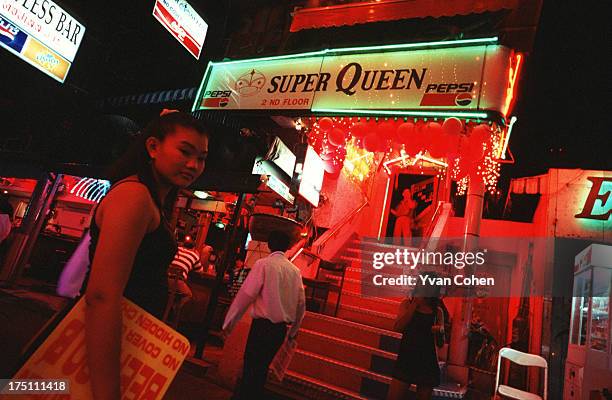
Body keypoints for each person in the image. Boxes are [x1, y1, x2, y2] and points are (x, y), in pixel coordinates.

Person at [84, 110, 209, 400]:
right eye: (185, 151)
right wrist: (106, 392)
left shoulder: (151, 200)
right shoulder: (135, 196)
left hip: (125, 341)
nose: (193, 165)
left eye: (201, 158)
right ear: (153, 147)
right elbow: (102, 295)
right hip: (97, 348)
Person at [222, 230, 306, 400]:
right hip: (279, 330)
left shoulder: (263, 265)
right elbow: (301, 305)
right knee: (261, 370)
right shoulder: (294, 271)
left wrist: (229, 323)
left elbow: (245, 295)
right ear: (288, 247)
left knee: (251, 368)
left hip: (261, 327)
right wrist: (293, 331)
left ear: (269, 245)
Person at [387, 273, 445, 400]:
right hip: (407, 357)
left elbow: (441, 343)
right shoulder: (407, 304)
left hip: (427, 361)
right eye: (421, 284)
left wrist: (440, 331)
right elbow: (398, 328)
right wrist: (413, 306)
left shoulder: (437, 311)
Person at [167, 240, 205, 311]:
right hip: (177, 282)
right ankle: (173, 309)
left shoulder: (177, 249)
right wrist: (197, 255)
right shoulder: (194, 255)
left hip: (164, 279)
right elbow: (200, 271)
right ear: (193, 248)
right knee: (188, 295)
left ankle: (167, 306)